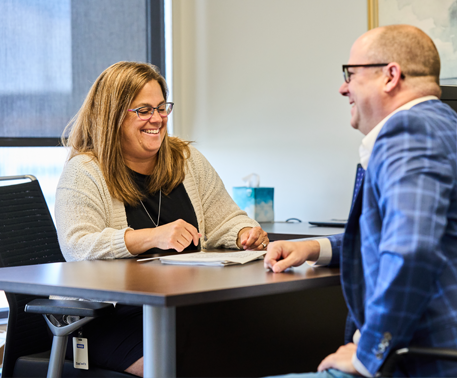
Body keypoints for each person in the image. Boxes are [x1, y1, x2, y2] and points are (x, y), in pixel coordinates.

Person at [265, 24, 457, 378]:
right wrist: (315, 247)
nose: (343, 88)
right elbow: (411, 232)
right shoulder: (443, 124)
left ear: (390, 76)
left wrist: (367, 355)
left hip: (415, 363)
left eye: (350, 74)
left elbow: (411, 248)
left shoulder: (409, 133)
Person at [55, 61, 268, 376]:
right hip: (106, 318)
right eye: (143, 110)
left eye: (161, 107)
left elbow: (226, 218)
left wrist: (243, 233)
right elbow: (77, 245)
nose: (157, 119)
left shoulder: (185, 159)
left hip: (178, 309)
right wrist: (151, 237)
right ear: (112, 116)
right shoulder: (85, 170)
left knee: (257, 344)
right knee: (194, 364)